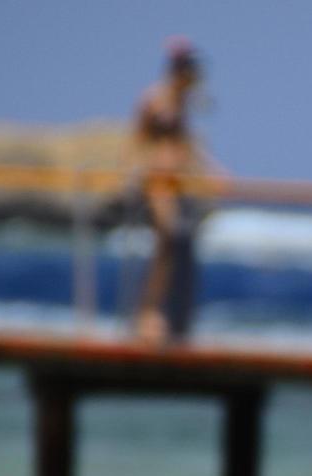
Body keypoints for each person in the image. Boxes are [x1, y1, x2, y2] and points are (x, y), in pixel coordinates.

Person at [129, 38, 215, 344]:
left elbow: (187, 144)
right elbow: (138, 141)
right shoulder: (154, 98)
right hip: (157, 181)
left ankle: (170, 318)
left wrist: (211, 170)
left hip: (177, 183)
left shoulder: (181, 101)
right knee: (166, 242)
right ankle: (149, 313)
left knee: (176, 246)